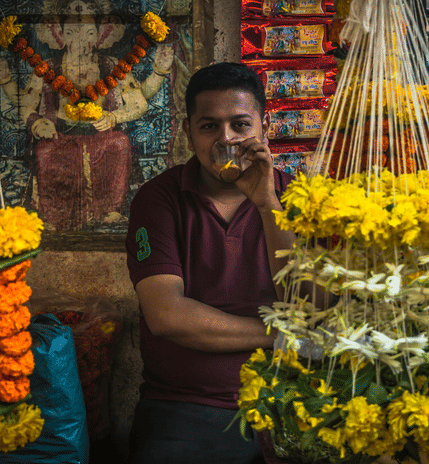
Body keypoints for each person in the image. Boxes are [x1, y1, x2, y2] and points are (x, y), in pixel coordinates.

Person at [124, 62, 295, 464]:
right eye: (208, 127)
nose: (227, 139)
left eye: (240, 125)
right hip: (186, 407)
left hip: (289, 394)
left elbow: (308, 303)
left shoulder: (296, 196)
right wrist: (282, 336)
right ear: (188, 133)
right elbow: (167, 315)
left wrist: (268, 204)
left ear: (263, 127)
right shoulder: (159, 199)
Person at [0, 0, 175, 230]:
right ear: (60, 36)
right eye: (71, 33)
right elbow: (26, 105)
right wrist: (37, 123)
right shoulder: (46, 67)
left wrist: (114, 118)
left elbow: (139, 104)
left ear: (100, 36)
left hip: (102, 137)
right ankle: (52, 216)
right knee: (45, 150)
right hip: (60, 136)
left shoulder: (114, 66)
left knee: (120, 143)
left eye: (88, 32)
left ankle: (112, 211)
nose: (79, 40)